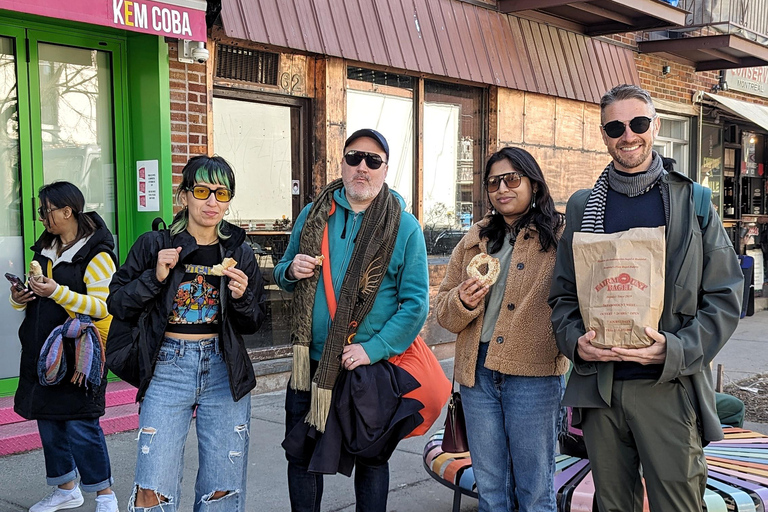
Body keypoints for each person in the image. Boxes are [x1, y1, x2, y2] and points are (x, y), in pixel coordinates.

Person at [549, 84, 743, 512]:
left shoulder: (691, 201)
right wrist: (574, 340)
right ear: (604, 135)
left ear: (655, 126)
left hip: (668, 388)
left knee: (678, 504)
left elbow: (727, 294)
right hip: (600, 390)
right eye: (615, 127)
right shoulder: (584, 207)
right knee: (614, 506)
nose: (627, 135)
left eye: (638, 123)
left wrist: (676, 350)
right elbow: (562, 295)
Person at [273, 128, 429, 512]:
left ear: (385, 169)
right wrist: (291, 270)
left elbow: (415, 305)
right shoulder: (313, 215)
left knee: (372, 459)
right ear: (342, 163)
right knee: (302, 455)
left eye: (373, 161)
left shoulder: (404, 226)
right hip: (307, 363)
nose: (362, 167)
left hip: (366, 367)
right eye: (354, 157)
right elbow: (280, 273)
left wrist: (372, 349)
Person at [107, 155, 266, 512]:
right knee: (152, 490)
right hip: (167, 367)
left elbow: (254, 322)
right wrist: (156, 277)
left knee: (222, 489)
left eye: (221, 193)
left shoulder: (239, 252)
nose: (212, 202)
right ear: (184, 197)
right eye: (202, 190)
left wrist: (241, 298)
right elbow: (116, 302)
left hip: (224, 370)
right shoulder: (154, 244)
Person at [434, 147, 569, 512]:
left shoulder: (561, 235)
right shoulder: (476, 237)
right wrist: (462, 300)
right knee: (491, 490)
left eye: (512, 179)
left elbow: (577, 303)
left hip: (534, 375)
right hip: (477, 373)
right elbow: (444, 313)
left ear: (534, 184)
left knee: (535, 491)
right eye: (494, 182)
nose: (502, 188)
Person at [10, 181, 119, 512]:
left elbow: (103, 306)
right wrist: (20, 298)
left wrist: (56, 291)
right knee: (49, 423)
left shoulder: (97, 255)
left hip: (80, 356)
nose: (42, 217)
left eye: (46, 211)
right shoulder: (43, 250)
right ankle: (66, 489)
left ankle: (105, 495)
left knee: (81, 424)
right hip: (42, 352)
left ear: (67, 211)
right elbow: (33, 301)